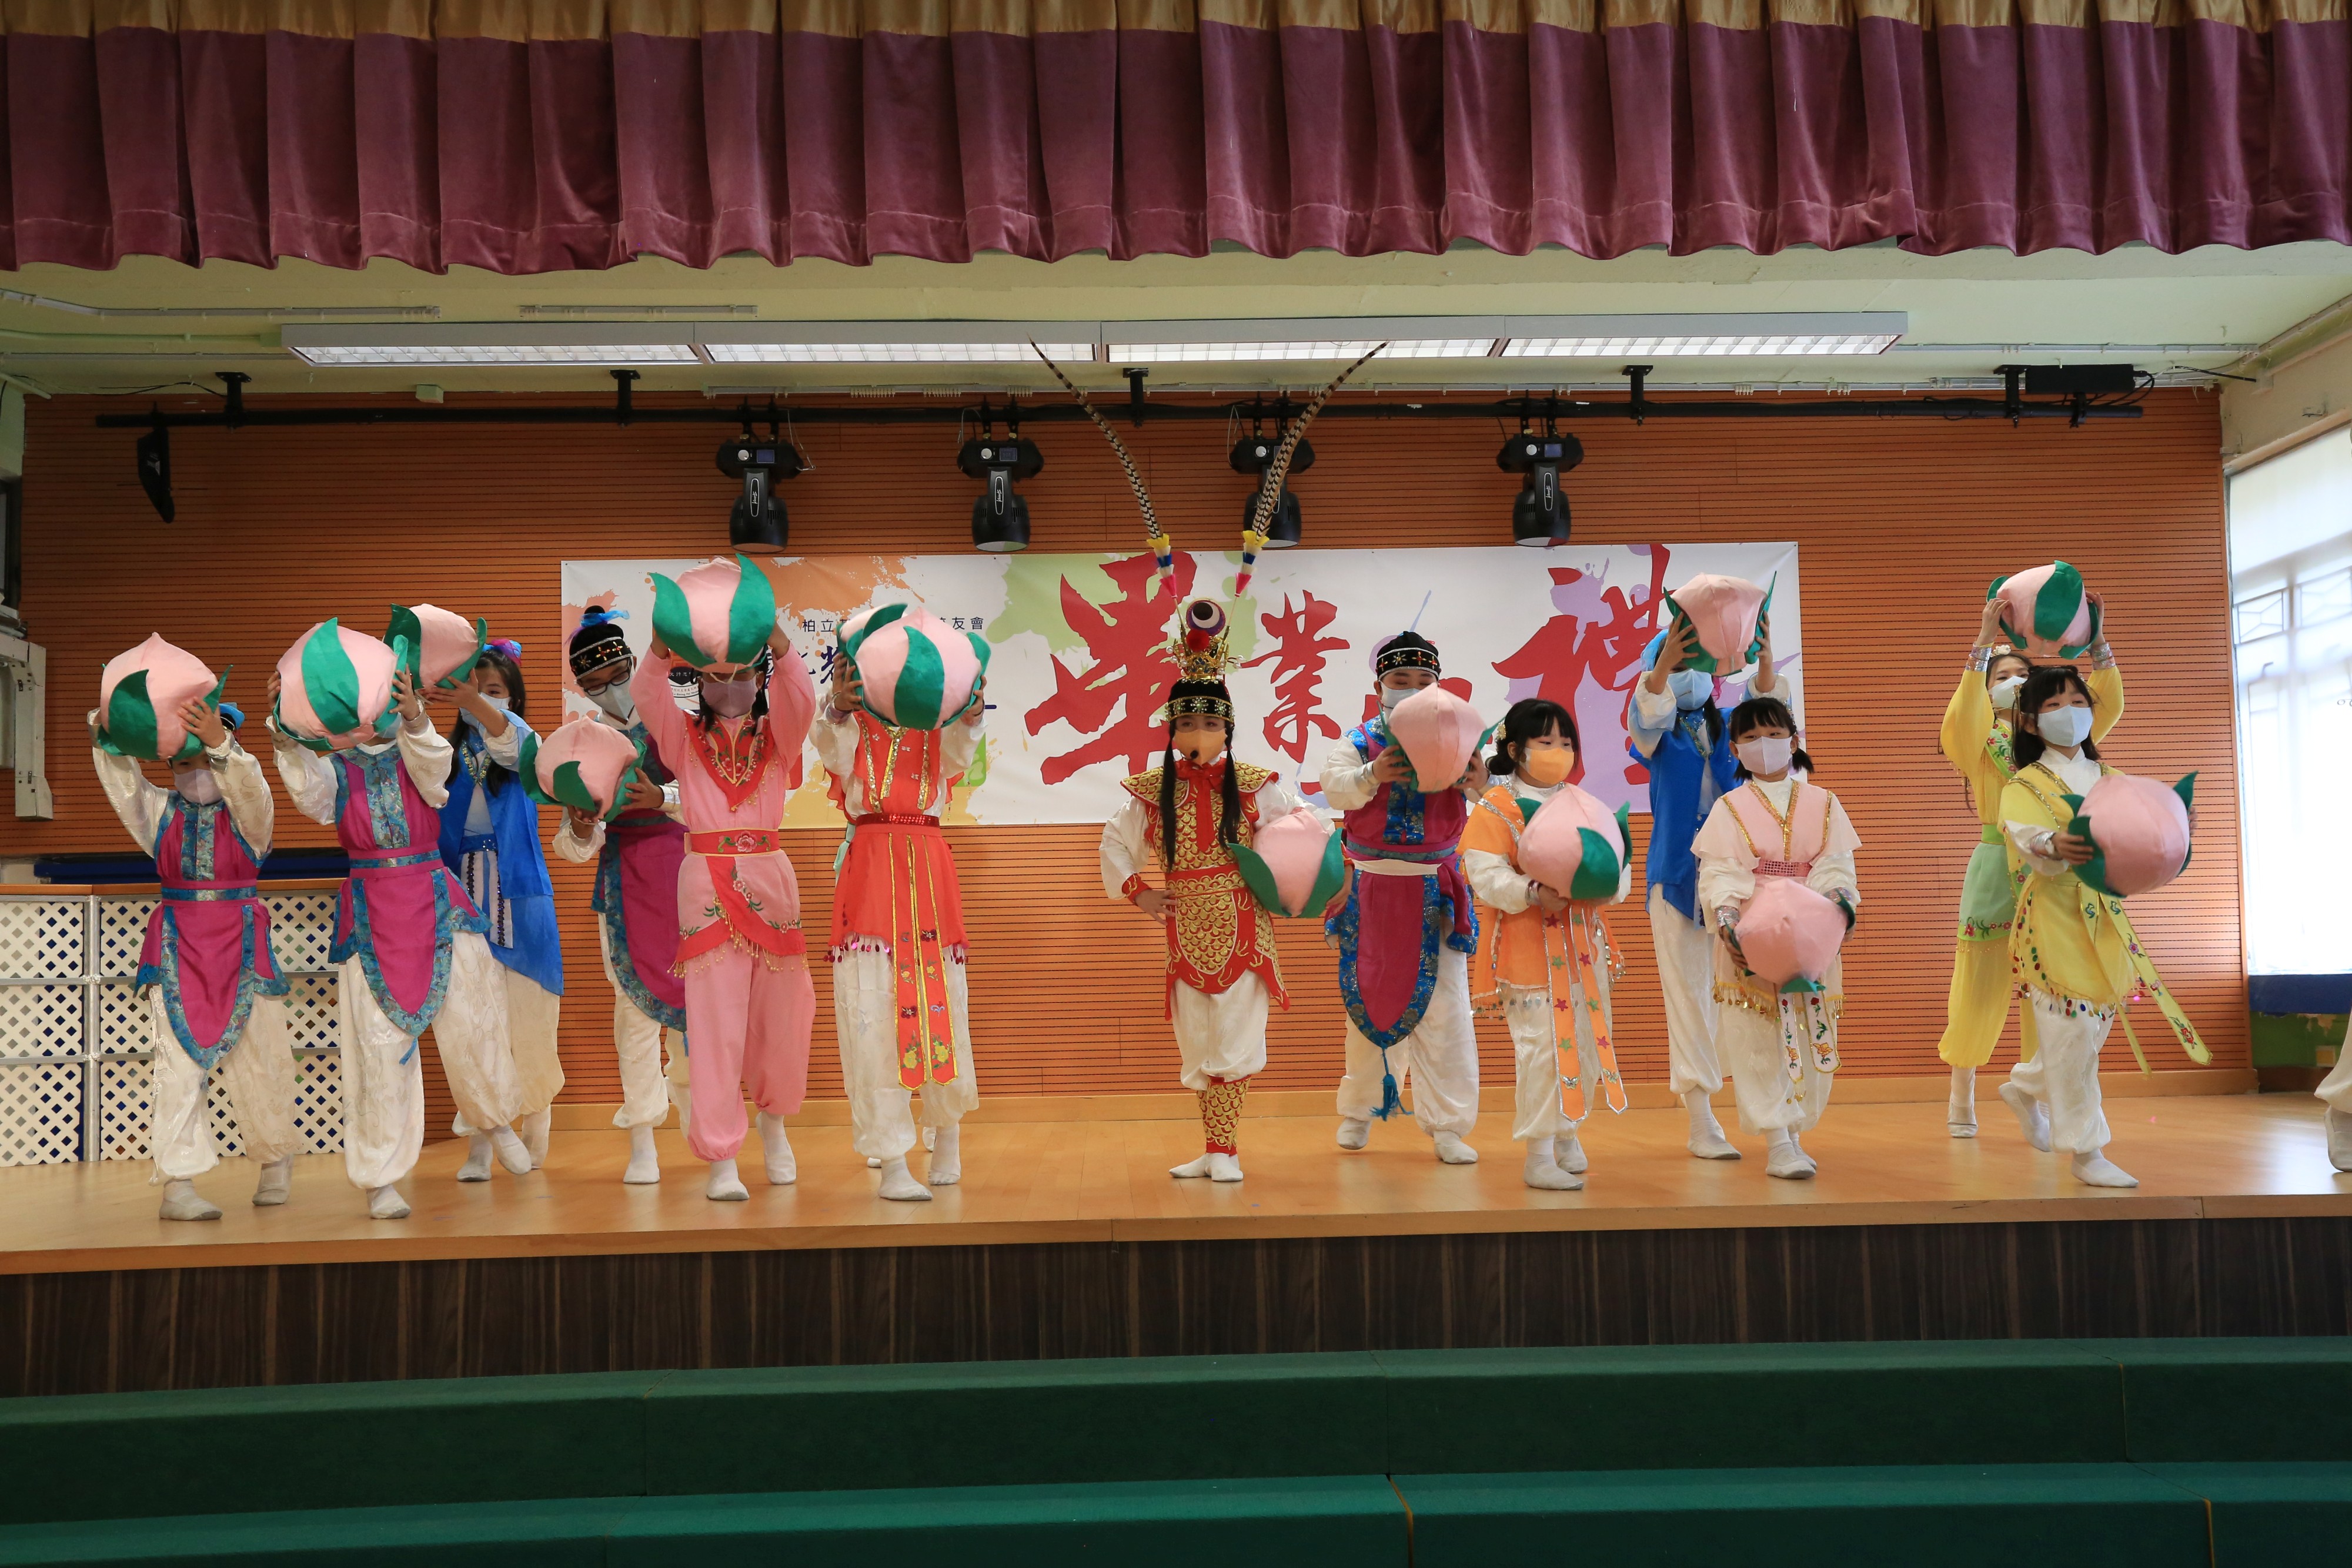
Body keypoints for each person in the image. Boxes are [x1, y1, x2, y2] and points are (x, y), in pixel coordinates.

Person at [269, 663, 530, 1221]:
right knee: (378, 1046)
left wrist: (416, 718)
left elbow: (437, 774)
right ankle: (381, 1178)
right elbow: (310, 798)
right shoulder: (336, 767)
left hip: (435, 896)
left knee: (473, 1018)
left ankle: (496, 1121)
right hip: (372, 911)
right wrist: (286, 729)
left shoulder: (419, 748)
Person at [1101, 625, 1301, 1182]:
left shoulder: (1257, 786)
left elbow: (1302, 833)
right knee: (1197, 1039)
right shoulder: (1152, 791)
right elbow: (1115, 842)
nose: (1198, 731)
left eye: (1211, 723)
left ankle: (1226, 1150)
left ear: (1228, 728)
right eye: (1187, 722)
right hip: (1184, 925)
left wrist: (1297, 883)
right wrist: (1139, 891)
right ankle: (1215, 1147)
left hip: (1243, 923)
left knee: (1236, 1034)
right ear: (1172, 728)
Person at [1996, 666, 2204, 1189]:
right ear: (2030, 721)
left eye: (2077, 701)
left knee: (2087, 1032)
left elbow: (2141, 835)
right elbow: (2023, 833)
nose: (2069, 712)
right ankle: (2087, 1151)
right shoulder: (2023, 782)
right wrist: (2052, 843)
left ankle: (2026, 1084)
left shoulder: (2113, 778)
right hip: (2053, 915)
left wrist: (2174, 825)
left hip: (2106, 915)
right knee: (2071, 1028)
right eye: (2053, 705)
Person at [93, 698, 300, 1220]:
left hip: (243, 945)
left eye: (207, 759)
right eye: (185, 763)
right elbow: (123, 784)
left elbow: (250, 788)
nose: (198, 773)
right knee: (177, 1067)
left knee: (262, 1057)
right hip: (177, 947)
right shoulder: (158, 812)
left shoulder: (251, 818)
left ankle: (275, 1160)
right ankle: (178, 1184)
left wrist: (219, 744)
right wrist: (110, 735)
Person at [631, 625, 817, 1202]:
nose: (730, 686)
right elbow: (646, 690)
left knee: (784, 1017)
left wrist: (777, 641)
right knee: (714, 1023)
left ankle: (775, 1124)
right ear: (700, 684)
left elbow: (802, 694)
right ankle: (721, 1156)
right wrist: (662, 644)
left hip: (771, 878)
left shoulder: (780, 734)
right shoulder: (681, 736)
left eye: (741, 675)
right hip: (705, 882)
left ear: (759, 679)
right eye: (716, 677)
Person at [1936, 593, 2120, 1136]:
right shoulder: (1978, 737)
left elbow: (2103, 705)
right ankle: (1962, 1093)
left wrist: (2097, 641)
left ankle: (2045, 1093)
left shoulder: (2052, 742)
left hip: (2056, 873)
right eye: (2002, 675)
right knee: (1981, 981)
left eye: (2023, 673)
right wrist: (1983, 641)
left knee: (2053, 980)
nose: (2015, 681)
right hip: (1998, 864)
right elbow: (1960, 715)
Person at [813, 641, 985, 1202]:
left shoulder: (935, 725)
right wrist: (839, 707)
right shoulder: (850, 722)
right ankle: (891, 1157)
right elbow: (830, 747)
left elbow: (961, 754)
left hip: (929, 869)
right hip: (870, 869)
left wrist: (972, 711)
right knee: (872, 1011)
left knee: (942, 1002)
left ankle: (947, 1132)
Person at [1629, 610, 1790, 1160]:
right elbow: (1647, 714)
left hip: (1741, 877)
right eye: (1678, 665)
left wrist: (1763, 663)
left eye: (1696, 664)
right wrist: (1663, 667)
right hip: (1675, 876)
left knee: (1751, 995)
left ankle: (1773, 1119)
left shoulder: (1733, 726)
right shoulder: (1657, 734)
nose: (1688, 675)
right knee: (1687, 998)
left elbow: (1773, 721)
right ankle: (1701, 1120)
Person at [1321, 631, 1484, 1163]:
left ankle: (1448, 1126)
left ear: (1438, 686)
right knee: (1366, 998)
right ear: (1380, 687)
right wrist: (1372, 773)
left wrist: (1480, 780)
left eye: (1423, 680)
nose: (1411, 689)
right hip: (1373, 888)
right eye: (1400, 679)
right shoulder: (1361, 741)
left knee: (1447, 1011)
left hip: (1436, 889)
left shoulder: (1459, 740)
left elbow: (1491, 803)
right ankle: (1360, 1111)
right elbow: (1333, 785)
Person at [1693, 697, 1861, 1180]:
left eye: (1773, 733)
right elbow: (1720, 872)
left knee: (1809, 1030)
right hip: (1753, 932)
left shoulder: (1824, 803)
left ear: (1794, 739)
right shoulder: (1728, 807)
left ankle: (1796, 1131)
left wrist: (1836, 908)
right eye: (1749, 737)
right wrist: (1729, 920)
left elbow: (1835, 866)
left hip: (1811, 930)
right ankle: (1777, 1141)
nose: (1762, 744)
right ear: (1734, 749)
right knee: (1757, 1037)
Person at [1463, 699, 1628, 1192]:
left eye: (1566, 742)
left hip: (1582, 943)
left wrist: (1609, 887)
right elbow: (1484, 874)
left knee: (1586, 1040)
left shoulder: (1583, 802)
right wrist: (1532, 891)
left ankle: (1567, 1132)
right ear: (1516, 749)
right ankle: (1538, 1154)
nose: (1558, 750)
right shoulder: (1496, 806)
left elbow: (1617, 863)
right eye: (1546, 741)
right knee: (1541, 1049)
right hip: (1526, 947)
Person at [552, 607, 690, 1185]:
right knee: (633, 1013)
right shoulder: (582, 744)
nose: (608, 690)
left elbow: (718, 800)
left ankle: (706, 1127)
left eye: (615, 676)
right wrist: (582, 826)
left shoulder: (681, 722)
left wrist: (663, 797)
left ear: (634, 664)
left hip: (689, 877)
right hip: (623, 884)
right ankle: (642, 1141)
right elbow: (571, 845)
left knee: (701, 1013)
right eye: (593, 685)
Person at [434, 640, 564, 1178]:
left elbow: (513, 747)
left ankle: (537, 1119)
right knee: (471, 1019)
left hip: (521, 891)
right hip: (459, 892)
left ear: (513, 698)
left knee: (531, 1014)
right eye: (472, 689)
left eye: (493, 690)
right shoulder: (439, 754)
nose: (481, 698)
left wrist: (477, 703)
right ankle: (483, 1138)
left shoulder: (527, 744)